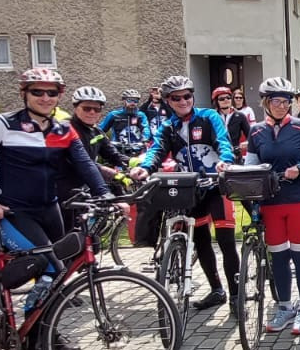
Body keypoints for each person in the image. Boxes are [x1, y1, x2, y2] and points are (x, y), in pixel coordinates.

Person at [0, 68, 107, 350]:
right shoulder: (1, 125)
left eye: (52, 92)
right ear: (24, 93)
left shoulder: (62, 130)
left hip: (50, 208)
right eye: (37, 91)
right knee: (50, 266)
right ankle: (30, 344)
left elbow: (86, 165)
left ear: (59, 96)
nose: (45, 98)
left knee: (58, 273)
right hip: (14, 211)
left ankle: (44, 334)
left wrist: (107, 196)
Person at [130, 75, 240, 310]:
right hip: (190, 190)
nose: (183, 101)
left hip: (216, 186)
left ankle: (236, 296)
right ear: (168, 101)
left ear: (192, 96)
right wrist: (145, 168)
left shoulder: (208, 117)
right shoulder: (168, 127)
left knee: (226, 242)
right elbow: (157, 150)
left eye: (187, 96)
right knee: (201, 242)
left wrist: (226, 160)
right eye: (176, 98)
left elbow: (223, 141)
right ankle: (217, 290)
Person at [244, 78, 300, 335]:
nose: (282, 106)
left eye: (286, 101)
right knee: (278, 257)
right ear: (265, 103)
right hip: (271, 203)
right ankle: (285, 308)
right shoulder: (256, 131)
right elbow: (250, 167)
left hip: (299, 200)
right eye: (276, 101)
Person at [63, 87, 131, 231]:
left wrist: (136, 165)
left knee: (92, 234)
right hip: (65, 192)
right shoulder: (67, 129)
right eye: (87, 108)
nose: (92, 112)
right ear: (75, 107)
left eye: (97, 109)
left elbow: (113, 155)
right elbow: (82, 163)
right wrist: (112, 174)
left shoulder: (95, 131)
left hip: (87, 187)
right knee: (69, 235)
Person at [100, 89, 154, 159]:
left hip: (137, 148)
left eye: (135, 101)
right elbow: (101, 129)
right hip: (118, 148)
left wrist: (145, 139)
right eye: (130, 100)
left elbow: (145, 128)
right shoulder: (114, 115)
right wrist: (104, 141)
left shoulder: (140, 115)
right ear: (124, 101)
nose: (133, 103)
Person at [212, 86, 253, 162]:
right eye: (222, 99)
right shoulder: (212, 116)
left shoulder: (240, 116)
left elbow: (250, 136)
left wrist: (246, 143)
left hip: (235, 155)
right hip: (216, 156)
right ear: (216, 101)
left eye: (228, 98)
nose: (226, 100)